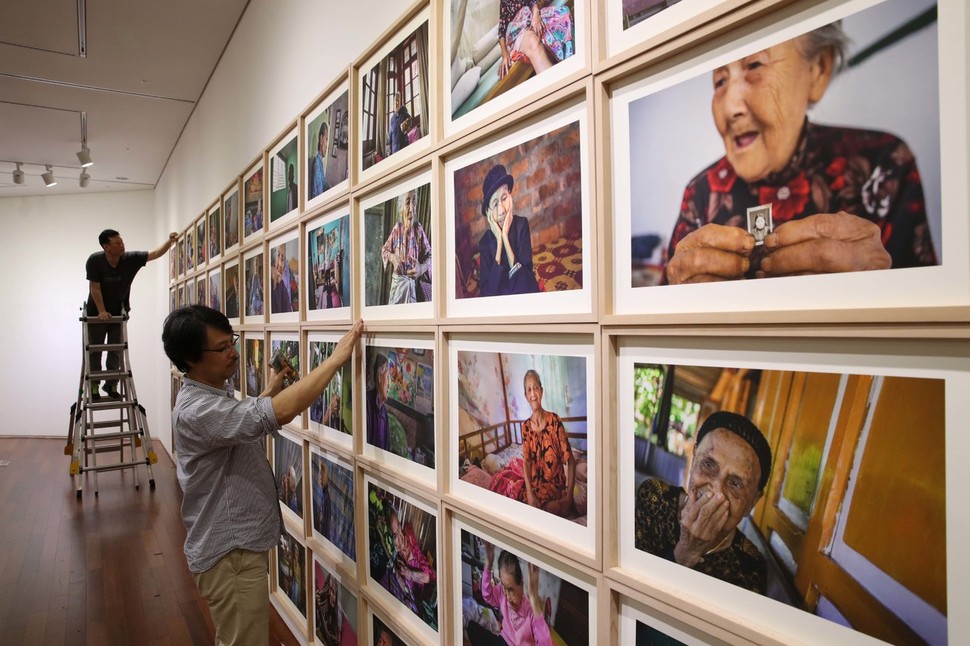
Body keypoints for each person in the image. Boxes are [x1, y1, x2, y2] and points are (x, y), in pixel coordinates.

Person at [664, 23, 937, 285]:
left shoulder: (883, 162)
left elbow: (935, 315)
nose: (731, 107)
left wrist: (886, 287)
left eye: (755, 65)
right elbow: (663, 308)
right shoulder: (699, 192)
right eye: (720, 81)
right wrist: (676, 287)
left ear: (818, 70)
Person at [163, 305, 363, 646]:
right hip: (230, 557)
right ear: (191, 360)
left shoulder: (207, 398)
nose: (234, 352)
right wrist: (334, 360)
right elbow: (278, 413)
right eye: (222, 347)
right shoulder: (198, 410)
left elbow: (239, 421)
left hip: (235, 551)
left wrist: (269, 389)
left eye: (232, 341)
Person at [634, 411, 772, 593]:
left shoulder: (749, 567)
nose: (716, 491)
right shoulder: (655, 498)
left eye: (735, 483)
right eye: (708, 465)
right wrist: (686, 552)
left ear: (753, 502)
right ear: (694, 459)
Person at [86, 228, 177, 399]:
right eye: (117, 243)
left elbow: (155, 253)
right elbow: (95, 287)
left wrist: (169, 241)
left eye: (122, 241)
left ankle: (111, 385)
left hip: (119, 312)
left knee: (115, 350)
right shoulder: (95, 261)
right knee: (95, 351)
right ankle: (94, 386)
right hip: (96, 313)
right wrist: (101, 311)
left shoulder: (129, 259)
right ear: (106, 246)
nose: (122, 245)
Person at [477, 164, 539, 297]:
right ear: (488, 212)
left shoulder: (521, 225)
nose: (502, 210)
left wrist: (505, 237)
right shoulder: (484, 243)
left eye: (504, 198)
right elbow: (488, 294)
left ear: (510, 197)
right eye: (495, 204)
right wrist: (499, 243)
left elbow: (526, 285)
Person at [520, 370, 575, 517]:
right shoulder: (525, 427)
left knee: (553, 509)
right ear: (526, 396)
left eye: (536, 388)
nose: (533, 393)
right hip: (536, 489)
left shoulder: (554, 421)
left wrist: (569, 496)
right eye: (529, 390)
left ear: (542, 391)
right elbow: (526, 462)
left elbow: (570, 460)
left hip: (555, 487)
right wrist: (530, 495)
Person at [480, 541, 553, 646]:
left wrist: (534, 599)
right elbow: (487, 596)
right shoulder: (502, 592)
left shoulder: (530, 611)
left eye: (511, 590)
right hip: (503, 641)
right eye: (504, 588)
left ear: (521, 585)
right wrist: (489, 564)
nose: (507, 596)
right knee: (473, 628)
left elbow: (547, 644)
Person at [498, 1, 574, 79]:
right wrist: (504, 54)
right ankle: (556, 85)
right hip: (517, 30)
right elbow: (502, 28)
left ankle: (569, 65)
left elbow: (533, 2)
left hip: (532, 15)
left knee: (563, 14)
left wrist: (535, 15)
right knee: (533, 41)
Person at [380, 189, 432, 304]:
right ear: (401, 207)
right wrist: (392, 257)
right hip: (397, 289)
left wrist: (421, 269)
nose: (412, 208)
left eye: (414, 201)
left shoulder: (418, 229)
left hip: (412, 289)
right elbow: (384, 249)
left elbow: (431, 256)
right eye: (407, 202)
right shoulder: (397, 228)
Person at [386, 507, 435, 616]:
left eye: (399, 526)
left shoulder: (409, 537)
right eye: (395, 535)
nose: (400, 535)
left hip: (424, 598)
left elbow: (428, 577)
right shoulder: (394, 556)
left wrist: (410, 574)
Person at [366, 354, 390, 451]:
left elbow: (387, 448)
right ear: (380, 377)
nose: (390, 384)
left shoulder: (384, 413)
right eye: (388, 377)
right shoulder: (367, 401)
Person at [312, 458, 332, 538]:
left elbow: (325, 522)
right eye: (320, 474)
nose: (320, 478)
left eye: (322, 474)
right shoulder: (323, 495)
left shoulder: (327, 498)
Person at [271, 244, 293, 313]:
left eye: (283, 255)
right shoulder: (272, 275)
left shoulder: (289, 264)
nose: (281, 257)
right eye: (278, 254)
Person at [310, 122, 330, 199]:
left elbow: (324, 182)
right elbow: (317, 195)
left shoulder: (320, 162)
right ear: (321, 139)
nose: (327, 146)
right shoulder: (317, 164)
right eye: (326, 139)